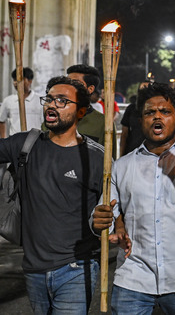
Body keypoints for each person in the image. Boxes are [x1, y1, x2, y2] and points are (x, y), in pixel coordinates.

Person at [92, 83, 175, 314]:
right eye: (150, 112)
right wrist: (105, 222)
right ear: (141, 121)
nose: (157, 117)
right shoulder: (122, 166)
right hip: (133, 278)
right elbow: (105, 213)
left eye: (166, 112)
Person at [0, 76, 104, 313]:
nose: (51, 104)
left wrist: (110, 221)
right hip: (33, 268)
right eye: (49, 99)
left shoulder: (97, 157)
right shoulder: (25, 144)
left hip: (76, 268)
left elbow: (117, 202)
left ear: (81, 112)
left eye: (62, 100)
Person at [66, 64, 109, 146]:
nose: (69, 87)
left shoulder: (104, 124)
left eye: (75, 83)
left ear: (90, 89)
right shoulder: (55, 116)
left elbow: (108, 156)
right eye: (67, 82)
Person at [0, 67, 43, 138]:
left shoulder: (40, 100)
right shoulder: (8, 101)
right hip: (14, 142)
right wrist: (3, 139)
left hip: (35, 141)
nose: (16, 83)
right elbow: (1, 120)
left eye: (20, 80)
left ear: (30, 81)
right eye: (14, 80)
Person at [119, 81, 149, 156]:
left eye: (147, 88)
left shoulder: (156, 110)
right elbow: (124, 134)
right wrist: (121, 155)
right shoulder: (131, 109)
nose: (144, 91)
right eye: (142, 88)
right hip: (132, 150)